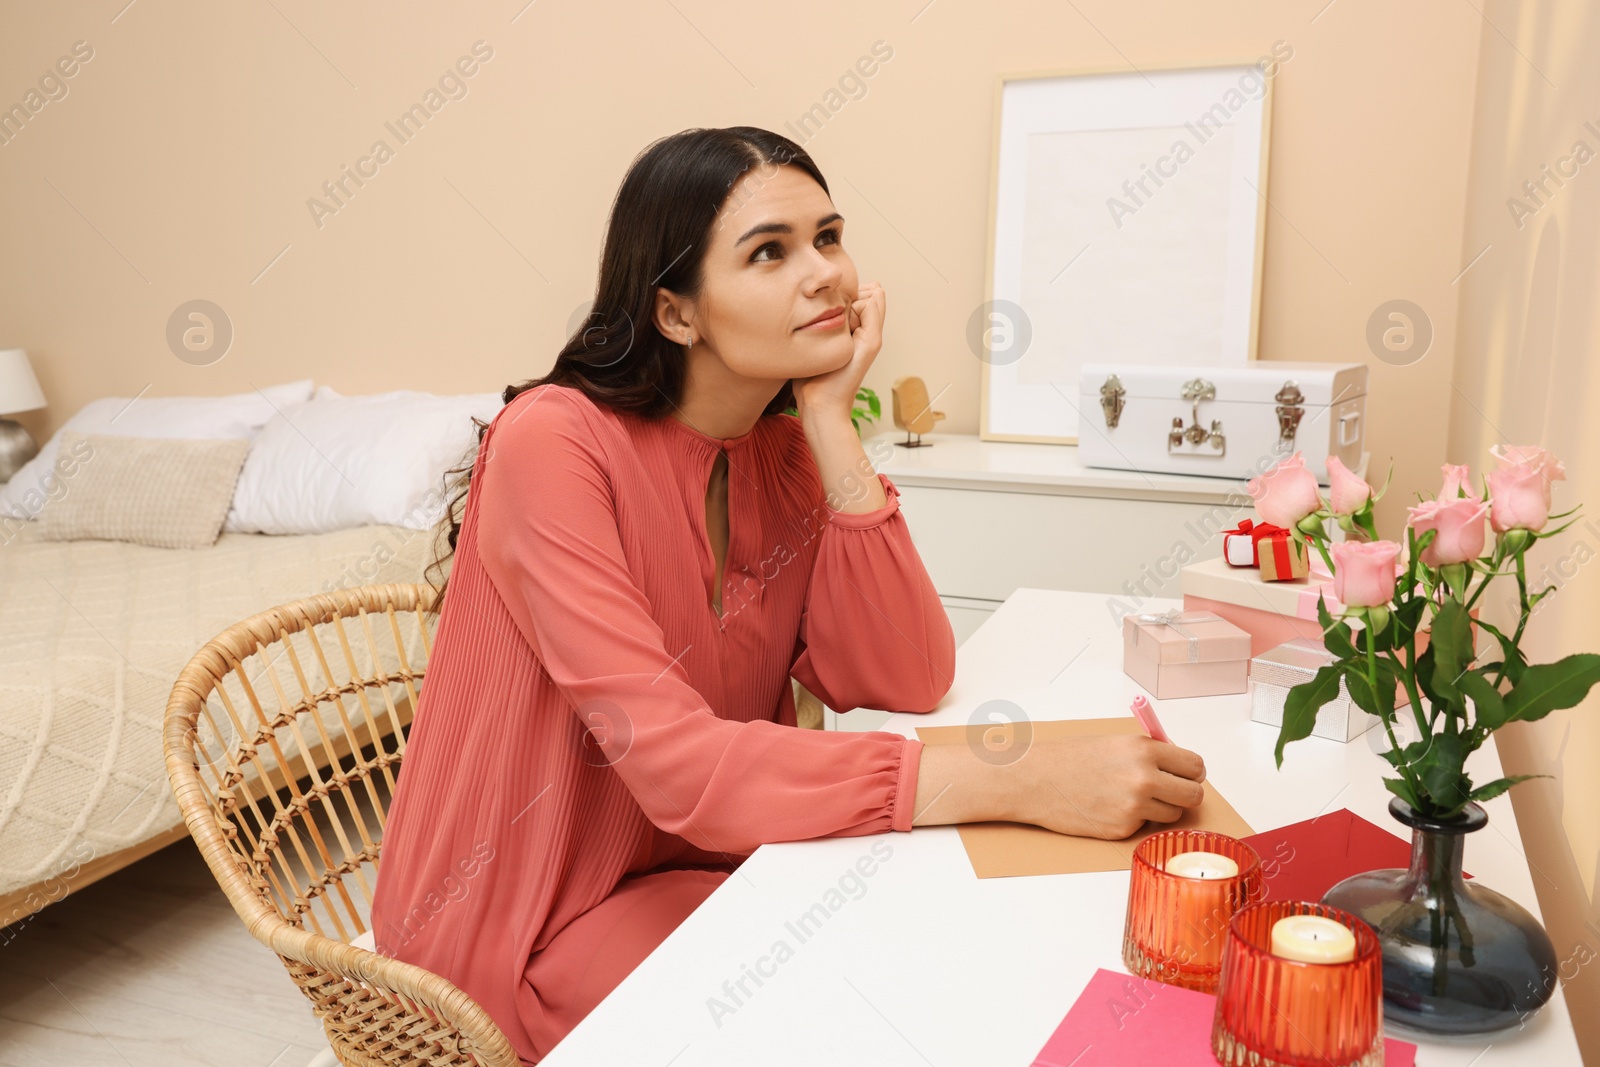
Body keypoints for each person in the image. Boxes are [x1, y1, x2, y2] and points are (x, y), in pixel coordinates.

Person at [368, 126, 1208, 1064]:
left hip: (708, 866)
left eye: (829, 236)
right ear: (677, 314)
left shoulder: (779, 455)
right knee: (863, 1007)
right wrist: (1016, 779)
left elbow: (906, 671)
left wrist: (827, 422)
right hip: (521, 926)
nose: (825, 274)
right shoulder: (551, 443)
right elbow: (677, 764)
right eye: (770, 252)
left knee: (936, 956)